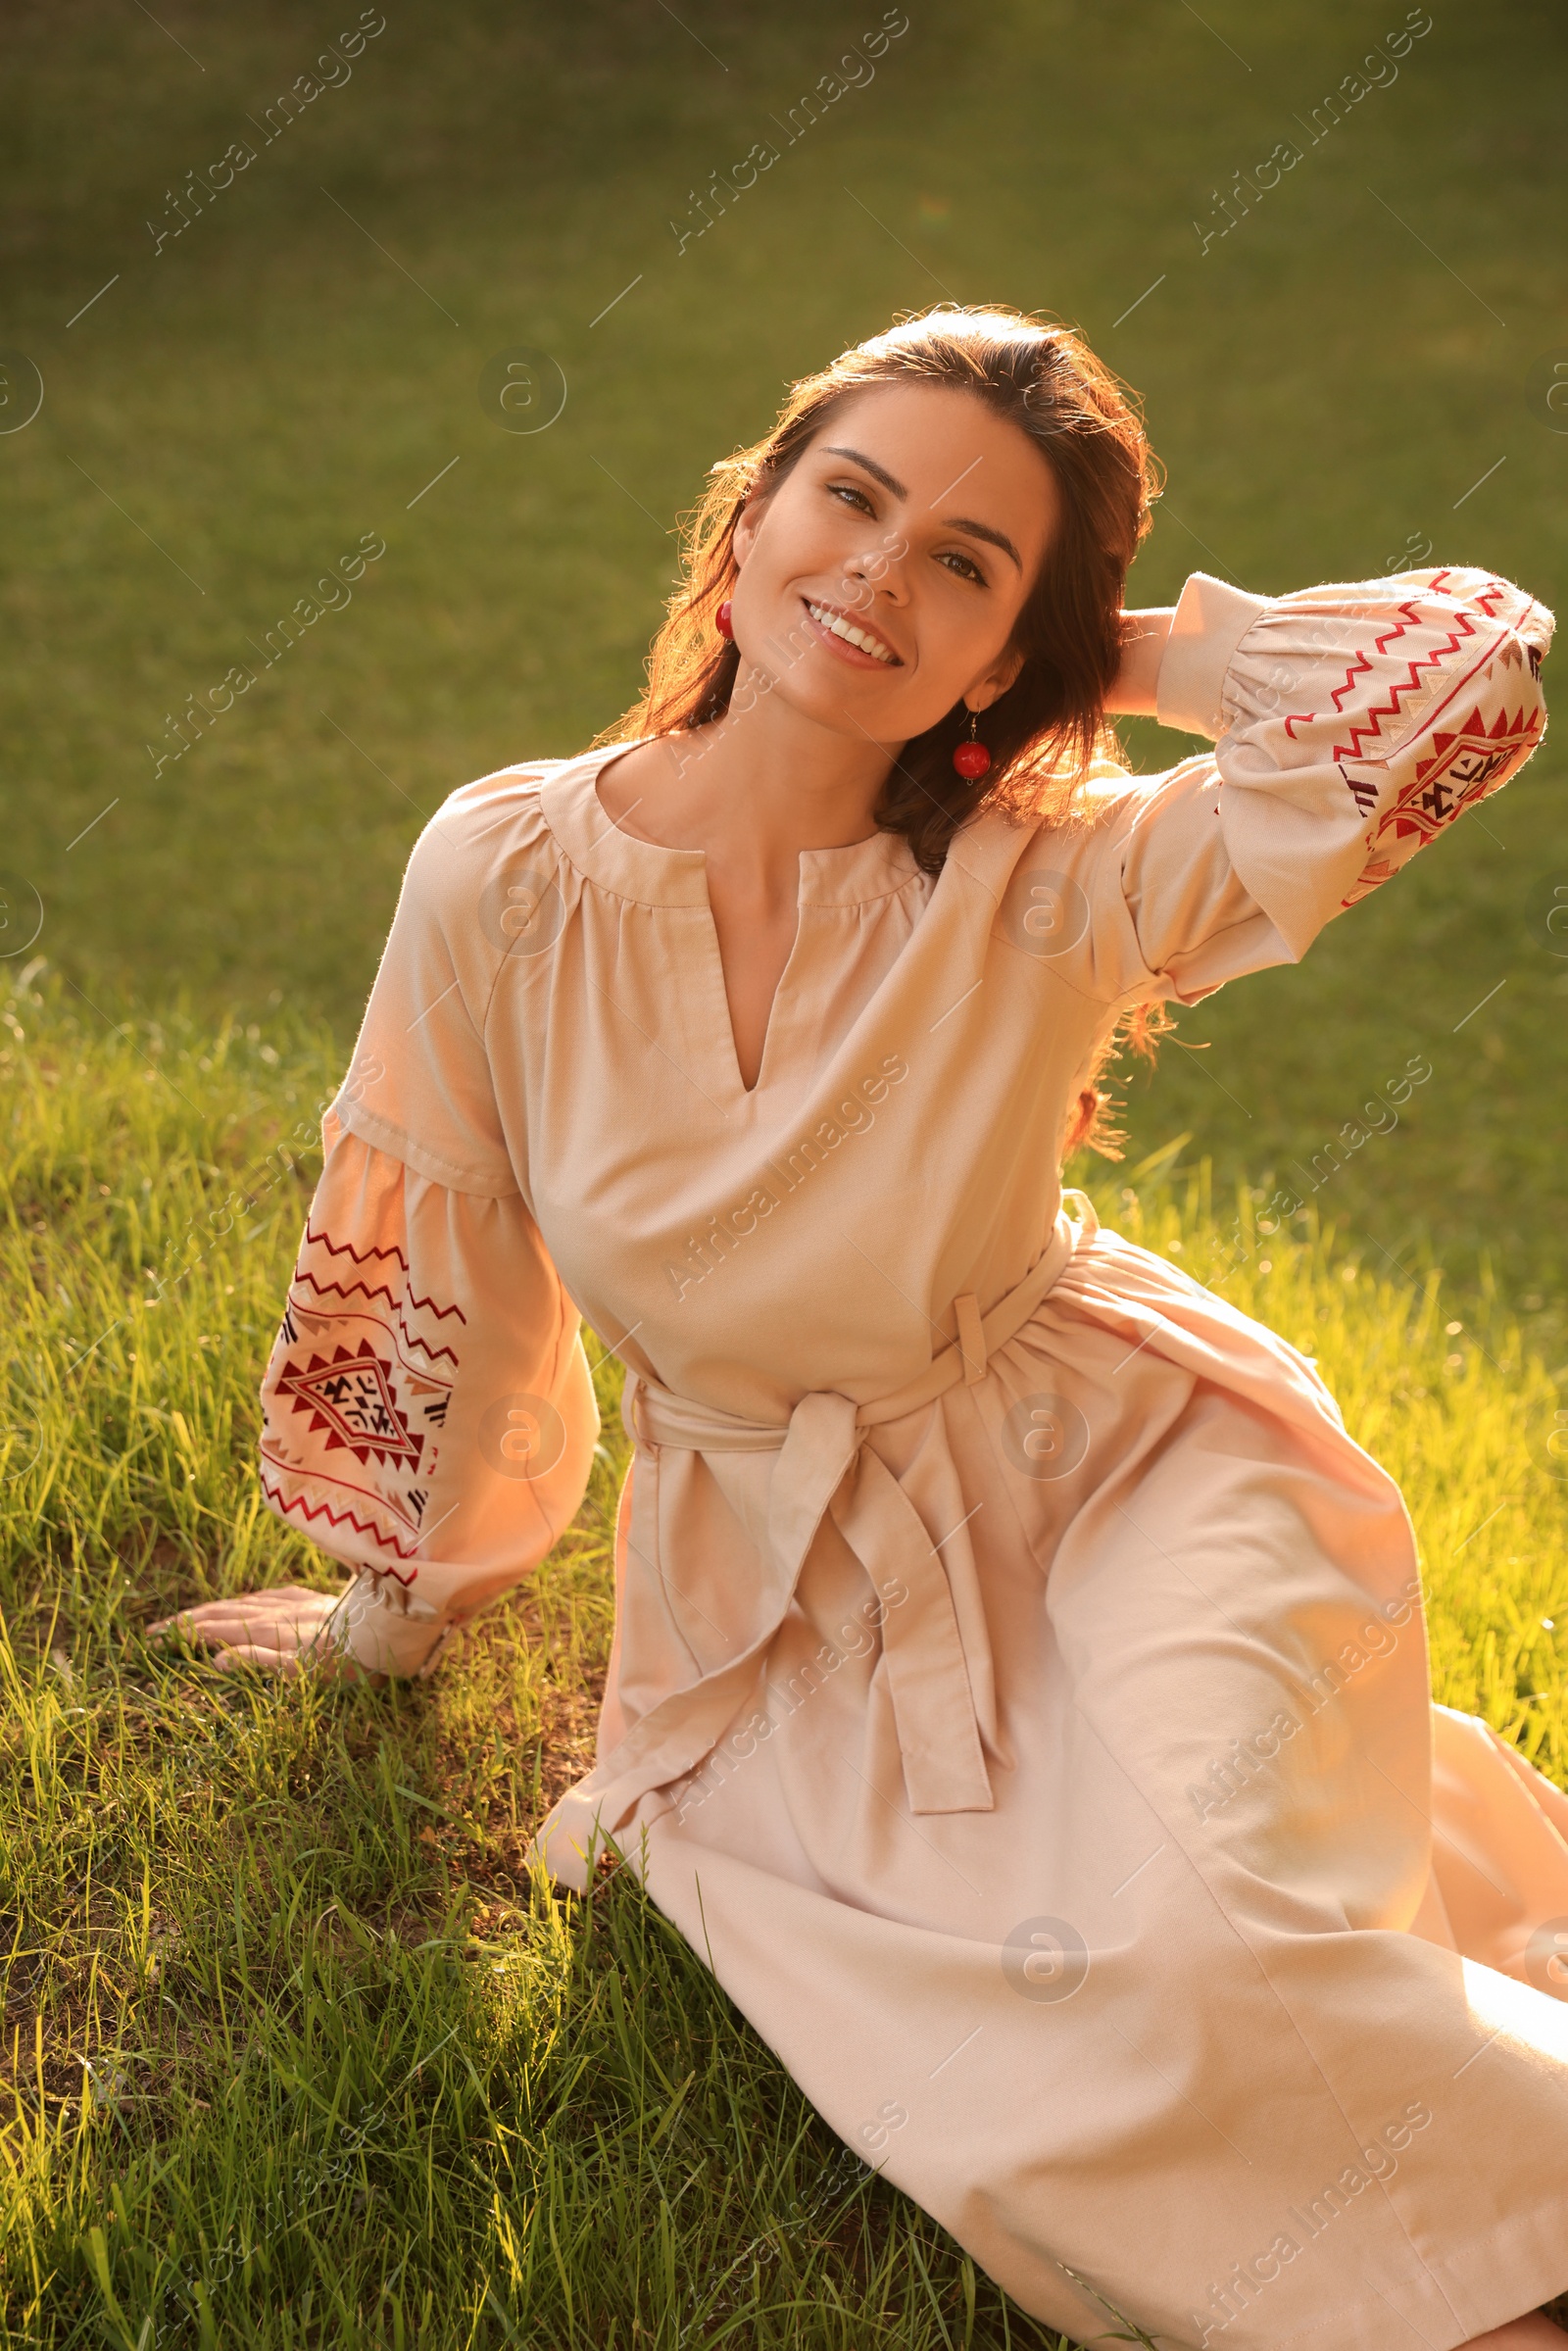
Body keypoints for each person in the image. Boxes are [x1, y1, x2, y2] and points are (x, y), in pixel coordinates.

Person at [152, 305, 1568, 2350]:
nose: (875, 577)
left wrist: (1125, 660)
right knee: (1102, 1986)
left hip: (1132, 1471)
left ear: (1012, 651)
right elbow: (448, 1255)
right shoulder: (504, 873)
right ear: (746, 522)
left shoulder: (1047, 873)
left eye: (965, 566)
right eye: (850, 499)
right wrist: (396, 1608)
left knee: (1235, 1924)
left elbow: (1464, 685)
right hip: (788, 1595)